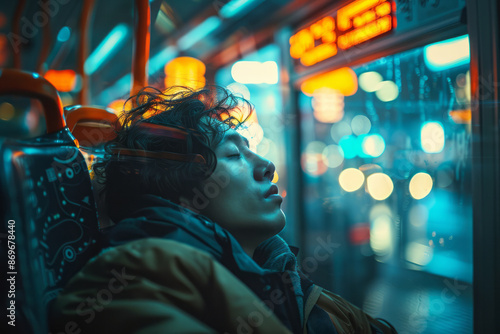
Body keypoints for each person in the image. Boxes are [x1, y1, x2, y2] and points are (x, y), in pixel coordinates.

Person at [50, 86, 397, 333]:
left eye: (252, 150)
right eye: (233, 156)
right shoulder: (137, 274)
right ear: (177, 189)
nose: (267, 166)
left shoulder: (276, 273)